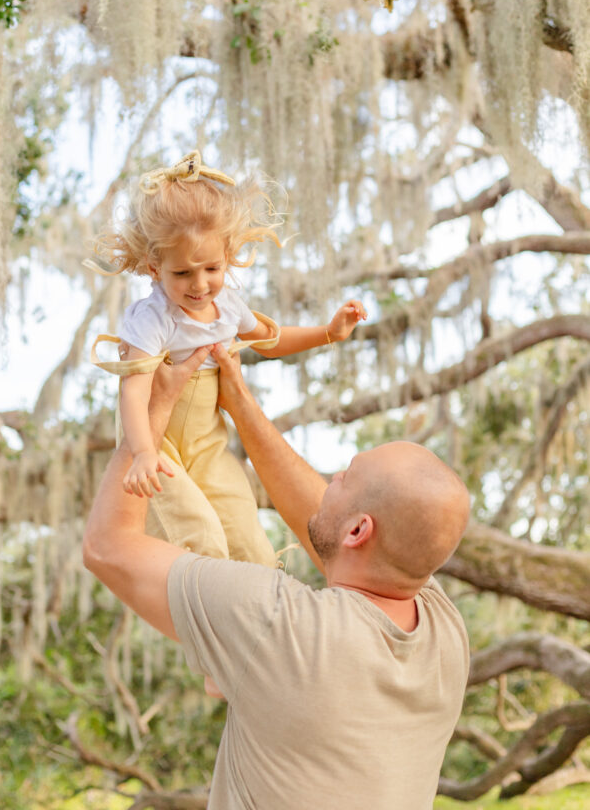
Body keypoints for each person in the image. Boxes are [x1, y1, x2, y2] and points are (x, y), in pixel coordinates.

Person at [83, 342, 472, 810]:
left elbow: (107, 546)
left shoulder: (279, 623)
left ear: (358, 530)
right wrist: (239, 402)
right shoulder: (444, 633)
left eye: (343, 477)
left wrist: (151, 413)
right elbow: (345, 534)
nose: (328, 481)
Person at [89, 150, 366, 565]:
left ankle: (260, 617)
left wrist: (328, 332)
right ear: (153, 267)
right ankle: (202, 618)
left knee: (250, 547)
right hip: (157, 441)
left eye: (211, 269)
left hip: (207, 444)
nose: (199, 285)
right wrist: (143, 453)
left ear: (228, 254)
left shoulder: (230, 306)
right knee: (202, 541)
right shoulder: (152, 318)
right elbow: (134, 393)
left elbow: (270, 339)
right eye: (182, 273)